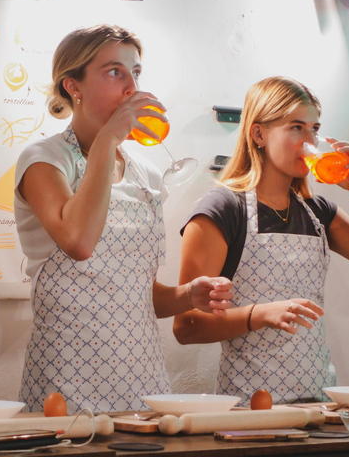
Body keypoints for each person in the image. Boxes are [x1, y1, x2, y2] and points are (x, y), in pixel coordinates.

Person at [14, 24, 233, 413]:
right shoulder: (44, 160)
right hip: (66, 379)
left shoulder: (146, 173)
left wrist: (187, 296)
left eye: (136, 73)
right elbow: (79, 242)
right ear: (73, 87)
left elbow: (133, 293)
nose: (131, 86)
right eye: (115, 72)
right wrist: (107, 141)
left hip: (143, 379)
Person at [173, 76, 349, 406]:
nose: (310, 141)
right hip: (250, 408)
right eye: (296, 128)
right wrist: (258, 314)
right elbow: (186, 326)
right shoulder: (222, 209)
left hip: (319, 404)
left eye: (314, 129)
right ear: (258, 134)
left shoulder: (318, 212)